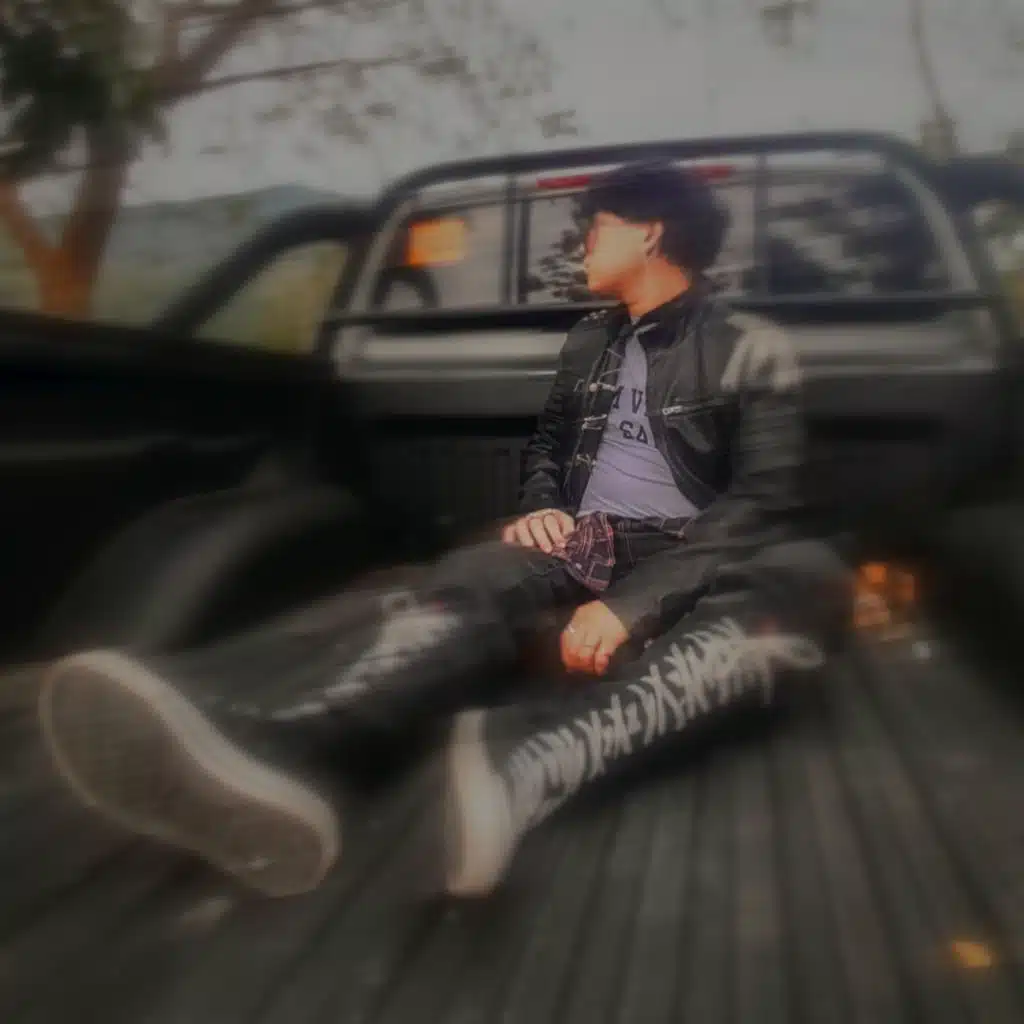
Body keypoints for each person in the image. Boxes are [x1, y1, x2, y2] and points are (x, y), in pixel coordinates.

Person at [37, 162, 849, 901]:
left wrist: (639, 601)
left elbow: (761, 499)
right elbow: (553, 452)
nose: (584, 242)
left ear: (650, 235)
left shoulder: (751, 347)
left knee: (804, 576)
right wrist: (544, 505)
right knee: (488, 568)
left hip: (702, 557)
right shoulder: (591, 344)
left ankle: (528, 761)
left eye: (599, 227)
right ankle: (302, 749)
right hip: (602, 543)